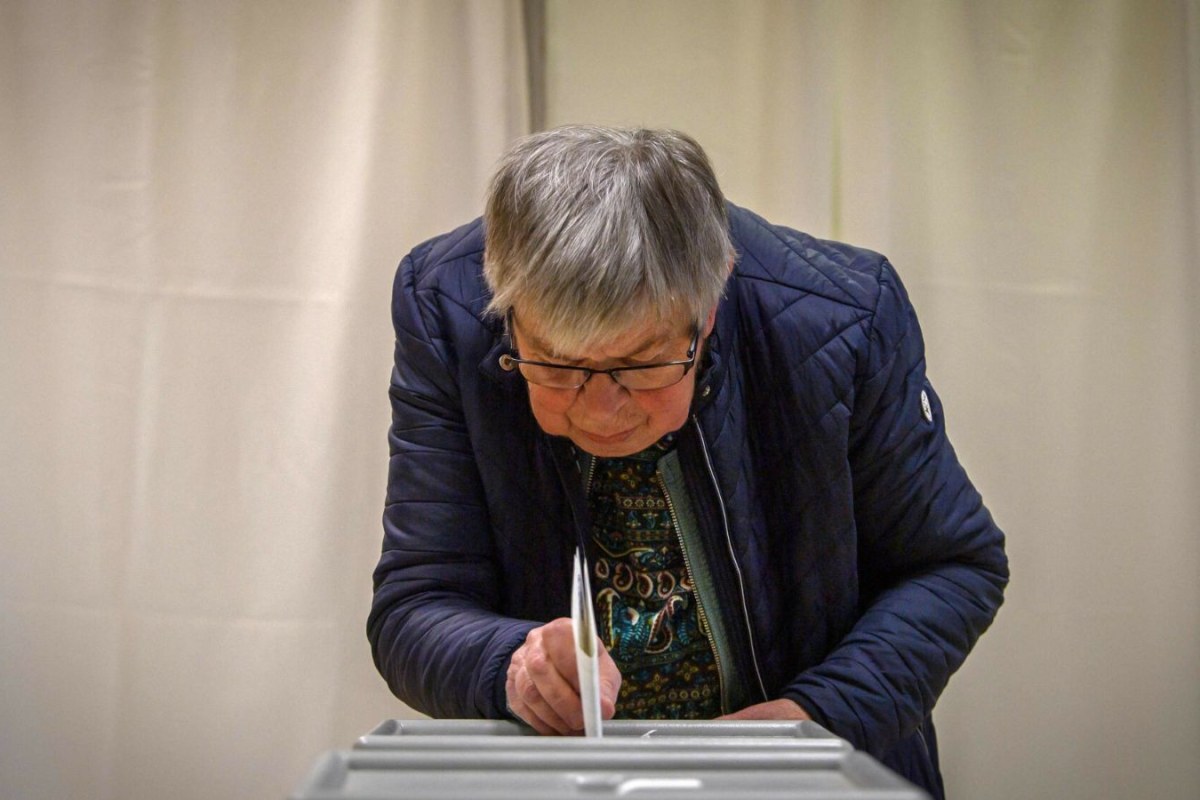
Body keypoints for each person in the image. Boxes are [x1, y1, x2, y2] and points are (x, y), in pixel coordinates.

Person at [368, 125, 1007, 799]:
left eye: (640, 364)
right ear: (506, 311)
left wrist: (812, 723)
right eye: (557, 365)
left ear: (710, 302)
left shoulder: (841, 315)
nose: (600, 412)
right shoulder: (446, 305)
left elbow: (952, 566)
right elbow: (416, 604)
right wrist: (508, 665)